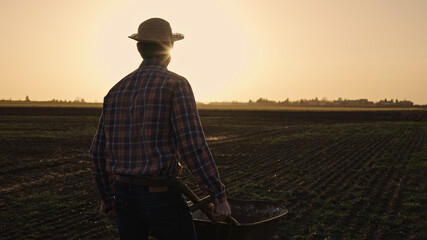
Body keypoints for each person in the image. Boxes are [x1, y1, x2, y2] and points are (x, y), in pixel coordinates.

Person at [89, 18, 231, 240]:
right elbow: (192, 146)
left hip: (123, 194)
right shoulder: (176, 84)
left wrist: (107, 199)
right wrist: (218, 195)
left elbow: (97, 152)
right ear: (170, 47)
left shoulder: (116, 90)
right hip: (161, 196)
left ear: (139, 48)